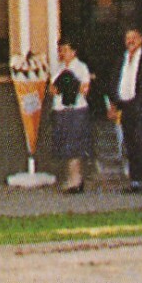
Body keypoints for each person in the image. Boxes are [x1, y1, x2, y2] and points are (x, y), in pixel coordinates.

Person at [108, 27, 142, 191]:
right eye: (127, 38)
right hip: (126, 107)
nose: (130, 41)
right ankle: (135, 181)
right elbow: (114, 82)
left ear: (140, 40)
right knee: (130, 142)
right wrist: (114, 103)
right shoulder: (122, 60)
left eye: (134, 38)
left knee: (140, 140)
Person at [49, 37, 92, 193]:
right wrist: (61, 83)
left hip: (76, 110)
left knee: (75, 145)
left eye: (66, 50)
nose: (63, 53)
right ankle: (70, 179)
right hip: (60, 109)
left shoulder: (81, 67)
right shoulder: (58, 68)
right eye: (61, 50)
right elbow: (52, 90)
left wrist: (70, 83)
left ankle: (76, 180)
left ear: (74, 52)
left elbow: (85, 89)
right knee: (65, 146)